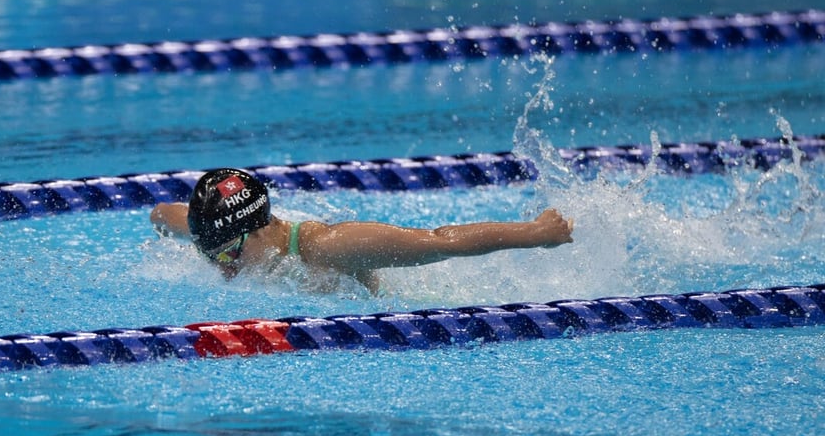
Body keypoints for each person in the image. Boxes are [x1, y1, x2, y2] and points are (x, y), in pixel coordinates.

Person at [150, 167, 574, 294]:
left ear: (259, 230)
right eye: (210, 256)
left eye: (227, 255)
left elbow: (441, 242)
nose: (223, 268)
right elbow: (164, 214)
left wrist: (536, 232)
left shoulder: (331, 247)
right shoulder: (222, 232)